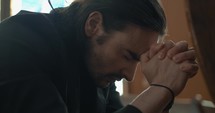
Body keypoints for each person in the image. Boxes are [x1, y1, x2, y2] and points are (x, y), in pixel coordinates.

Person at [0, 0, 198, 113]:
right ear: (94, 25)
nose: (130, 75)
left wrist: (162, 94)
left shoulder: (95, 71)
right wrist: (160, 89)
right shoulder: (17, 41)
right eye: (128, 55)